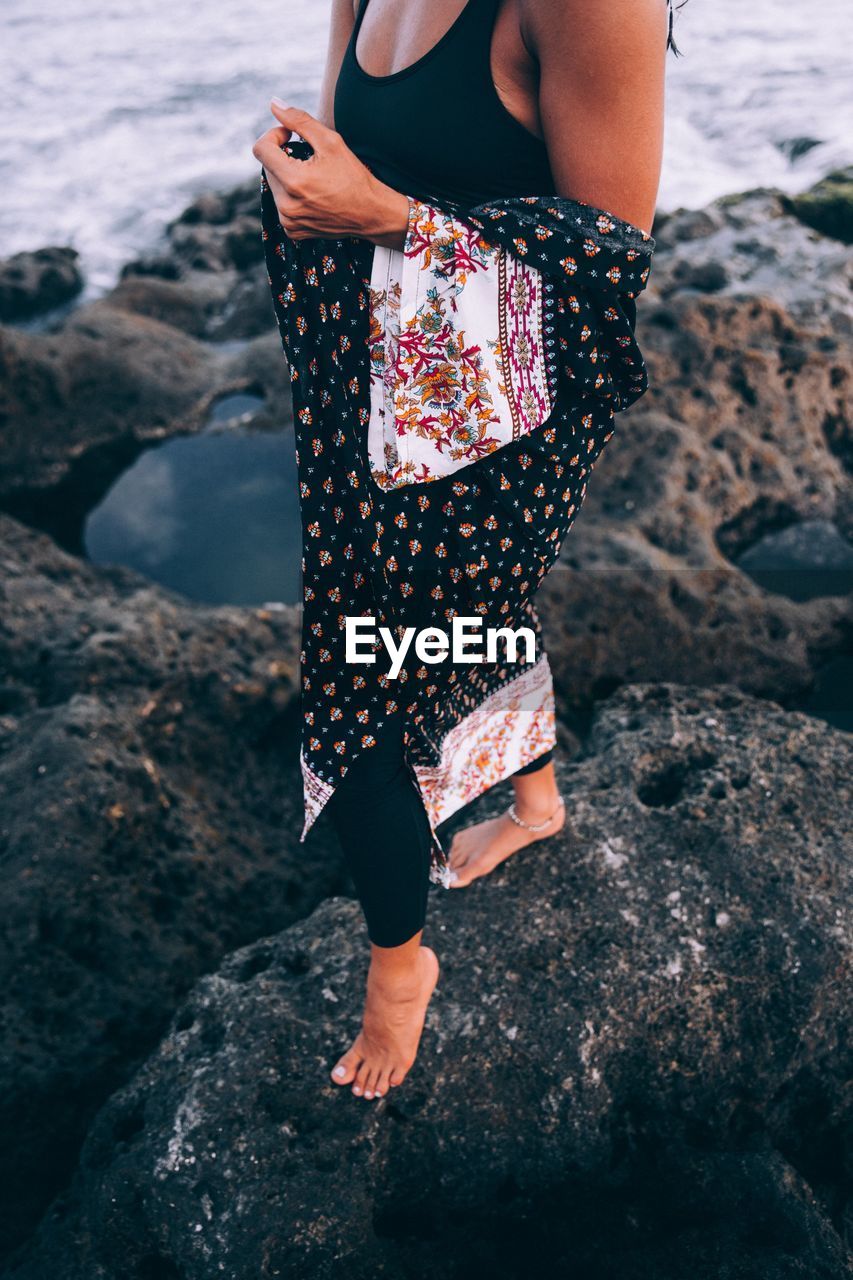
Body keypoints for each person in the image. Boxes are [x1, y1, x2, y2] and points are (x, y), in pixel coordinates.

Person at [252, 0, 670, 1102]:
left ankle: (400, 964)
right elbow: (348, 164)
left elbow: (609, 271)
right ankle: (535, 801)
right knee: (477, 604)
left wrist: (384, 214)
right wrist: (309, 179)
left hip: (512, 407)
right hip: (379, 377)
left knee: (361, 678)